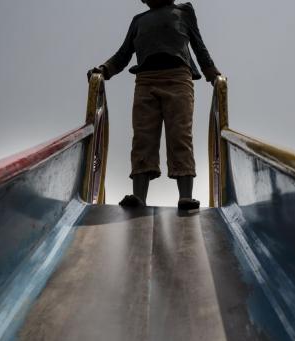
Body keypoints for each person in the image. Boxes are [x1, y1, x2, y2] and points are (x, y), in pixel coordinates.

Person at [87, 0, 221, 211]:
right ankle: (139, 196)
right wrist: (104, 70)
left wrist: (211, 72)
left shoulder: (183, 12)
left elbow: (198, 45)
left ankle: (185, 196)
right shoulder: (139, 21)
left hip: (178, 79)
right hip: (145, 82)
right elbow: (123, 54)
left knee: (180, 135)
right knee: (143, 137)